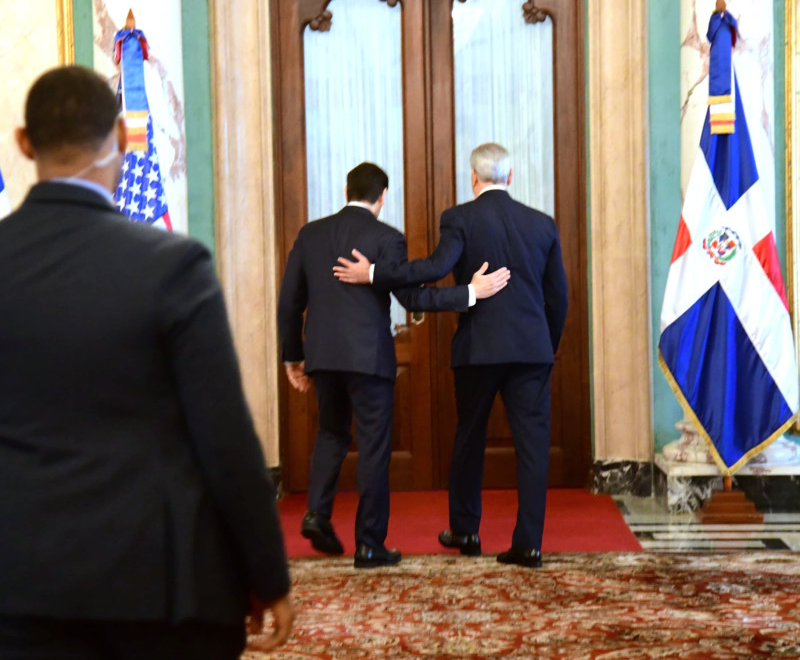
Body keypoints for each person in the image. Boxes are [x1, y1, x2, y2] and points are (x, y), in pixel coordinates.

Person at [0, 65, 293, 658]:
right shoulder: (172, 265)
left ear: (24, 142)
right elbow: (226, 438)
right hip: (160, 587)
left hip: (18, 583)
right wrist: (266, 574)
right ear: (127, 138)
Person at [334, 143, 568, 568]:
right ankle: (529, 544)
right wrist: (544, 346)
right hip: (532, 352)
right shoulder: (543, 224)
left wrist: (373, 273)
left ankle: (465, 529)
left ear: (473, 178)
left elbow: (433, 267)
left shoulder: (460, 218)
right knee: (533, 448)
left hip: (478, 350)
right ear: (510, 178)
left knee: (469, 438)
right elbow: (560, 298)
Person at [277, 162, 510, 569]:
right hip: (369, 358)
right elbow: (415, 300)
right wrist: (469, 293)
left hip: (323, 357)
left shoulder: (310, 235)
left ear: (345, 188)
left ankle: (317, 513)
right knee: (372, 448)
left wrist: (293, 356)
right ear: (383, 197)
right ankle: (369, 545)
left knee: (331, 433)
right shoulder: (387, 238)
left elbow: (289, 302)